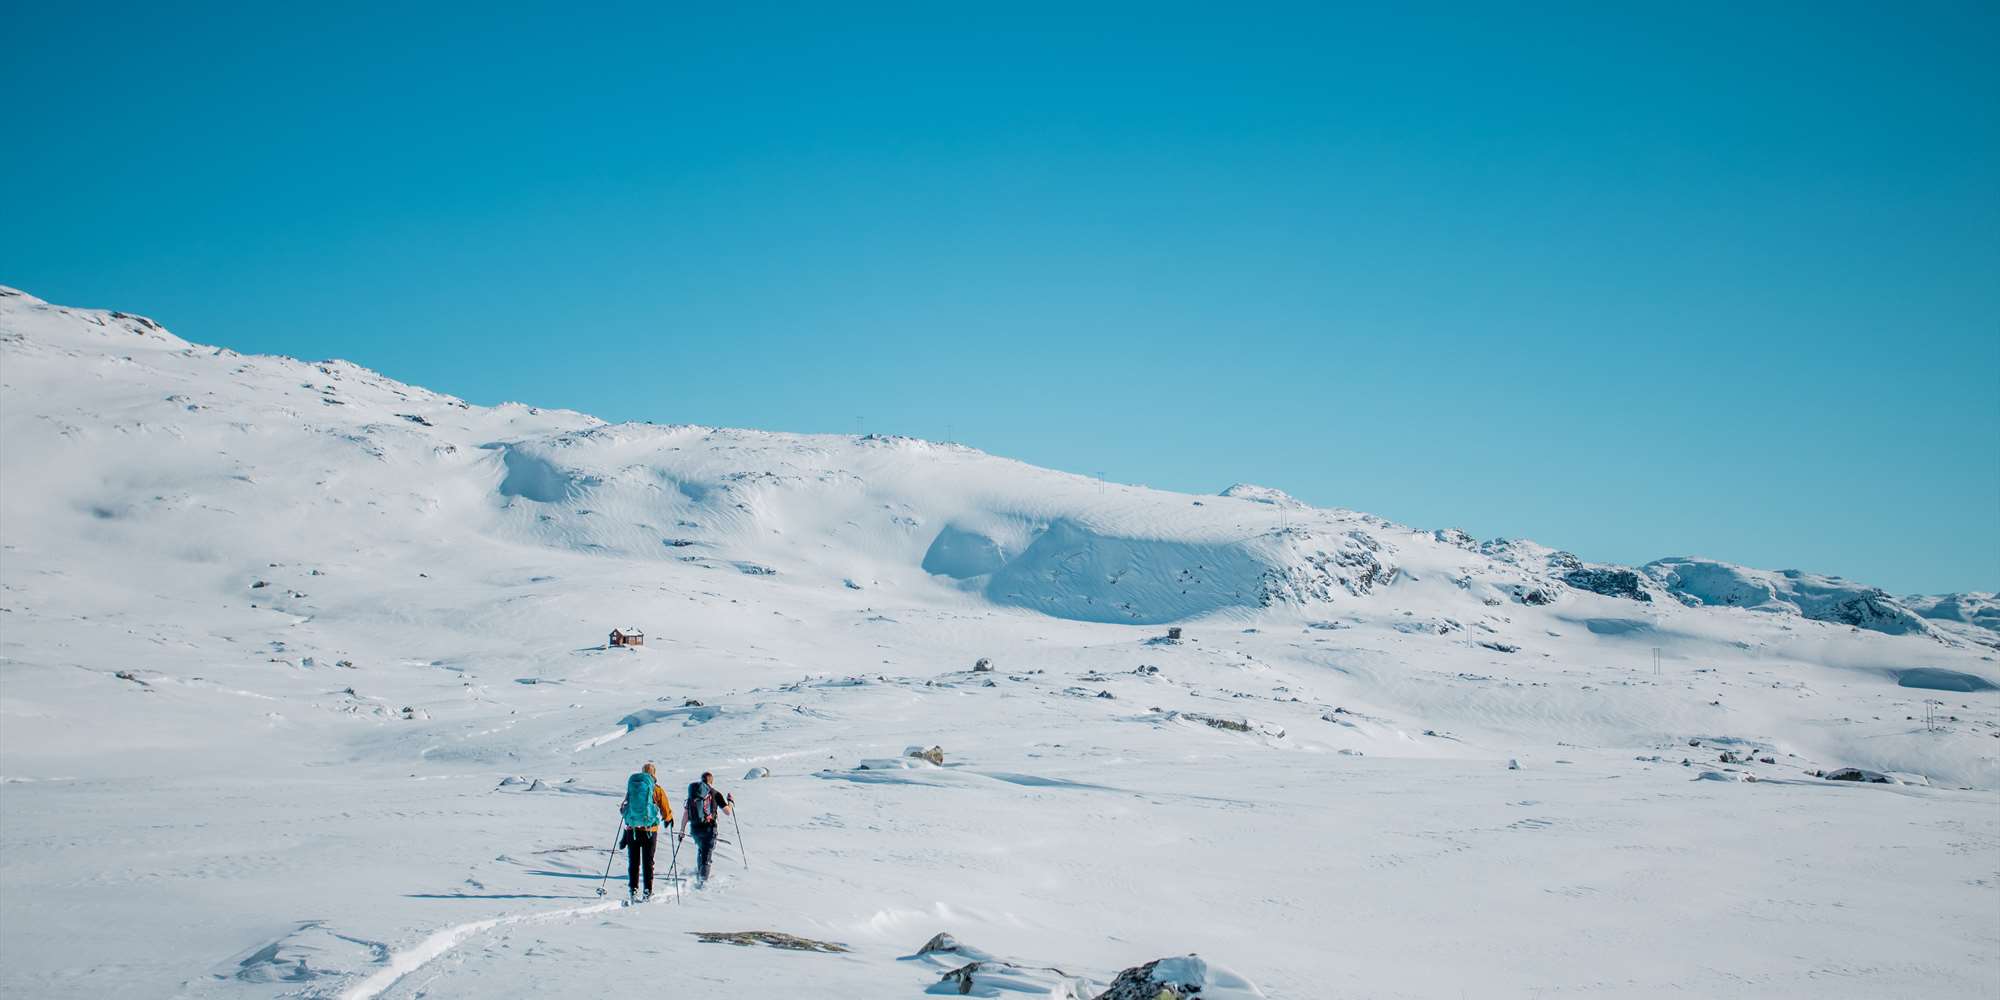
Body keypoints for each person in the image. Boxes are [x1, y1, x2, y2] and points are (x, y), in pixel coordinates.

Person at [618, 762, 673, 901]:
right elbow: (665, 809)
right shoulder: (657, 789)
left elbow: (624, 807)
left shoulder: (633, 787)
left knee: (633, 861)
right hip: (650, 830)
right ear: (654, 774)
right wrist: (668, 818)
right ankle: (647, 892)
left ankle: (633, 890)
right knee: (648, 862)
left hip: (633, 830)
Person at [682, 771, 733, 885]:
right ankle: (703, 883)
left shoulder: (694, 794)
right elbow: (727, 812)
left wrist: (682, 830)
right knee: (706, 855)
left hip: (695, 828)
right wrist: (730, 802)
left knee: (701, 850)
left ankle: (700, 873)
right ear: (711, 781)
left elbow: (686, 813)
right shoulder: (715, 793)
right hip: (709, 828)